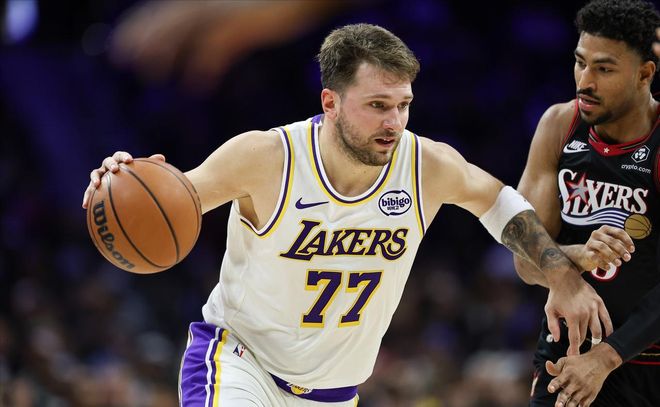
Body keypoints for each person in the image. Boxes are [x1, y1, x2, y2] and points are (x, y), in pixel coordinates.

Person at [83, 24, 609, 406]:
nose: (394, 122)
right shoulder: (266, 157)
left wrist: (560, 274)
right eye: (377, 105)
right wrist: (122, 182)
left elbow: (498, 202)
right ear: (330, 102)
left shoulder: (426, 165)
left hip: (334, 392)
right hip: (240, 365)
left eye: (403, 105)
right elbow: (174, 200)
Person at [514, 1, 660, 406]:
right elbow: (524, 263)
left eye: (604, 69)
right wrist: (574, 259)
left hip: (647, 359)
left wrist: (606, 358)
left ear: (645, 73)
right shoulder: (559, 125)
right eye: (580, 63)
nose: (585, 81)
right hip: (568, 352)